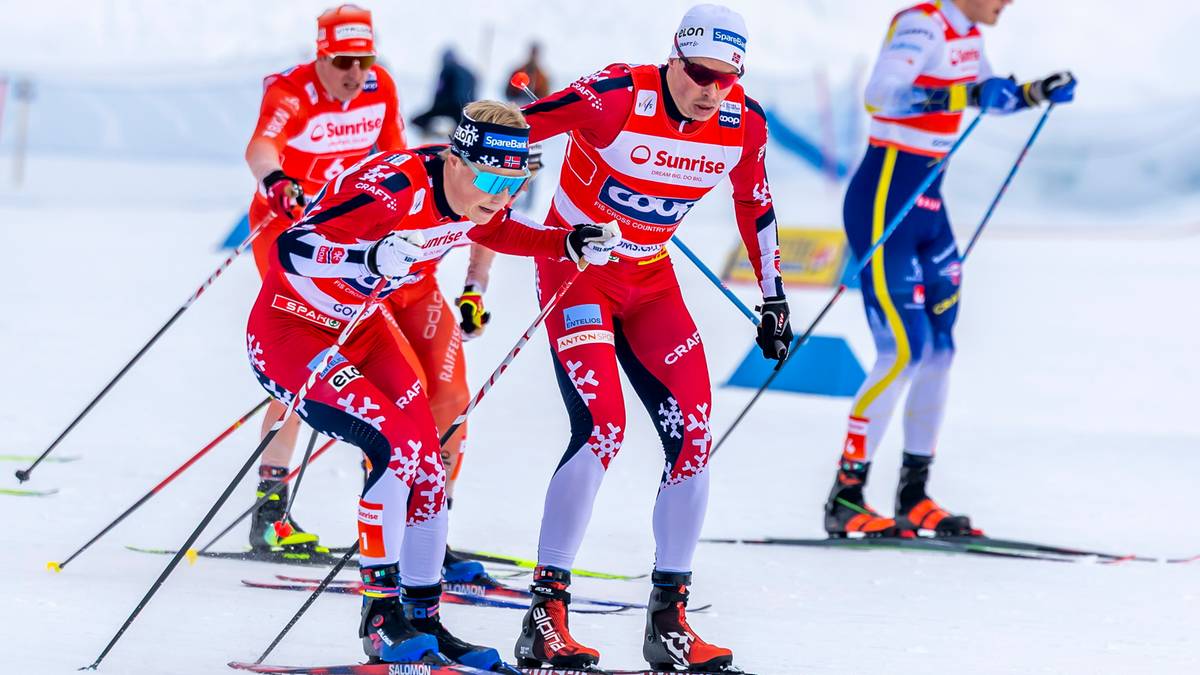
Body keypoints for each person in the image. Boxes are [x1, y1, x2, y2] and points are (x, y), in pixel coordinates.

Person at [244, 100, 621, 670]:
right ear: (454, 157)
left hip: (361, 327)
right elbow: (292, 250)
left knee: (426, 453)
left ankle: (422, 615)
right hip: (291, 329)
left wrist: (565, 244)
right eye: (491, 178)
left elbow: (497, 228)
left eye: (514, 180)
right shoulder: (389, 190)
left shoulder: (475, 195)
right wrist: (365, 257)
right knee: (394, 444)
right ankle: (379, 618)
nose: (499, 194)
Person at [512, 5, 788, 672]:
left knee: (694, 434)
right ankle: (543, 617)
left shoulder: (742, 123)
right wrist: (459, 199)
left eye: (726, 78)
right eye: (698, 73)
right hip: (577, 273)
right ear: (674, 57)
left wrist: (773, 296)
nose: (710, 89)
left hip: (650, 281)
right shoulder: (614, 96)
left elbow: (754, 203)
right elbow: (513, 130)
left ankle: (669, 621)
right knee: (603, 427)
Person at [824, 0, 1076, 538]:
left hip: (928, 204)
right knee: (902, 350)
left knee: (940, 350)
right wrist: (965, 94)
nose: (1008, 3)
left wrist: (1035, 93)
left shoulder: (965, 33)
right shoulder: (921, 23)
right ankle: (845, 496)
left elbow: (989, 94)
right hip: (886, 196)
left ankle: (913, 495)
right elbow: (880, 95)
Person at [243, 4, 407, 557]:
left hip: (346, 236)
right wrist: (278, 181)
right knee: (303, 356)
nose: (355, 74)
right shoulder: (292, 91)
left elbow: (395, 156)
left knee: (365, 358)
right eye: (343, 62)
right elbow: (260, 148)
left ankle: (392, 506)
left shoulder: (379, 86)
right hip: (285, 229)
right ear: (321, 56)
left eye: (364, 60)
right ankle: (270, 510)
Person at [411, 48, 478, 137]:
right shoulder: (470, 72)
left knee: (416, 120)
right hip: (467, 107)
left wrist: (434, 109)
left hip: (450, 104)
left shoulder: (447, 68)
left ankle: (430, 134)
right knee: (464, 128)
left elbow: (440, 90)